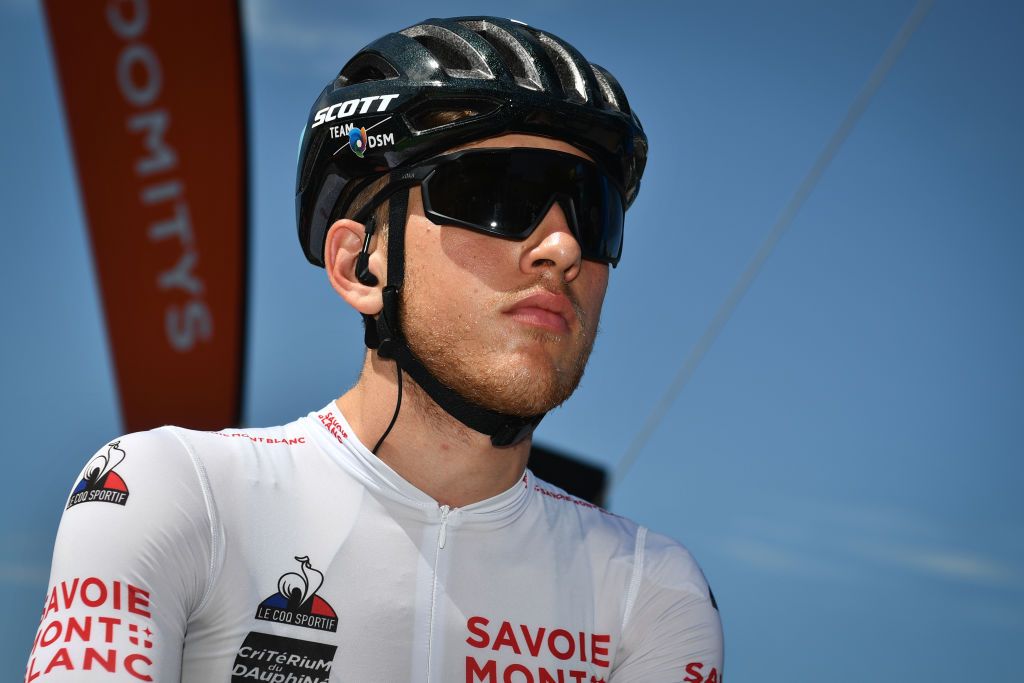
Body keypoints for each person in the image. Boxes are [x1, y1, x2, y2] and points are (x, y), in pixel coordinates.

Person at [27, 16, 723, 683]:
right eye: (498, 195)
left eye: (592, 210)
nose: (563, 247)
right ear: (360, 267)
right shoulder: (167, 492)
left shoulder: (649, 588)